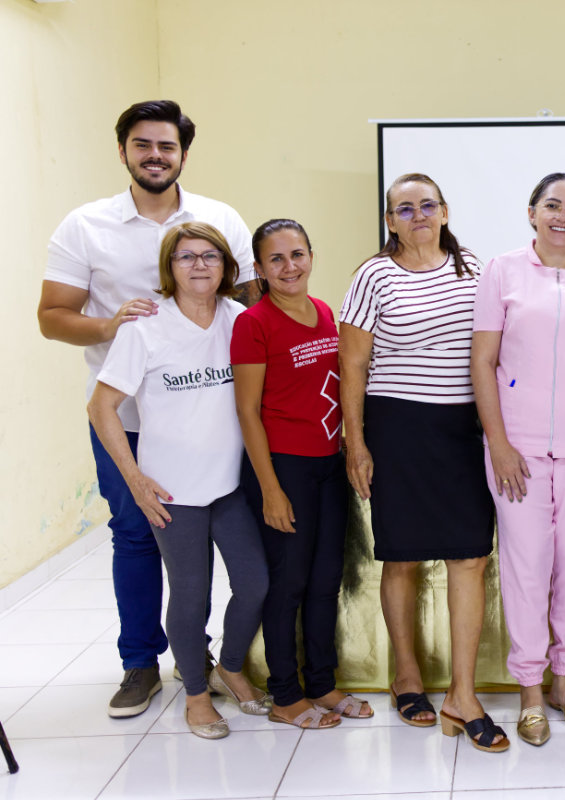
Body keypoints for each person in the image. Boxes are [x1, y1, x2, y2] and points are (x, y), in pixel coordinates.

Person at [37, 100, 257, 718]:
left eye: (166, 146)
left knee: (213, 549)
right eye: (143, 145)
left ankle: (202, 658)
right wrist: (112, 325)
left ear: (183, 153)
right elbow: (52, 316)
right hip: (126, 419)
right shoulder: (85, 225)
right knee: (135, 535)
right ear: (123, 151)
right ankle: (140, 663)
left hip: (208, 418)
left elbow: (249, 310)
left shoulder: (219, 218)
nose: (155, 156)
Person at [340, 174, 507, 753]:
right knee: (404, 557)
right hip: (398, 428)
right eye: (405, 208)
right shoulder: (374, 275)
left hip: (463, 428)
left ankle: (463, 694)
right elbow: (352, 364)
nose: (418, 215)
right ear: (390, 220)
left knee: (470, 556)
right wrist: (355, 443)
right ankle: (406, 676)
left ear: (445, 211)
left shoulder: (473, 267)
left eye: (427, 205)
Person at [86, 222, 270, 740]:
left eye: (210, 255)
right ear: (170, 267)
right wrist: (135, 479)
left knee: (255, 583)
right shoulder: (145, 327)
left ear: (226, 266)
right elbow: (101, 407)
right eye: (186, 256)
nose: (199, 265)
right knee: (191, 596)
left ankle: (228, 667)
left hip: (229, 484)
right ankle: (195, 694)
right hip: (172, 492)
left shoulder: (239, 319)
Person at [470, 172, 565, 747]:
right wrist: (499, 443)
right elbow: (483, 361)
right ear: (532, 212)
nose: (563, 215)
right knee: (527, 568)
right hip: (518, 450)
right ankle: (530, 688)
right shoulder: (502, 271)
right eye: (552, 205)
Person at [233, 219, 369, 730]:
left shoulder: (326, 312)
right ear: (259, 268)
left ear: (311, 256)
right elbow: (247, 412)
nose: (289, 266)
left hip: (328, 465)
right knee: (288, 583)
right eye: (276, 259)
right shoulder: (253, 324)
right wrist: (270, 489)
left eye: (297, 255)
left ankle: (321, 682)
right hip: (283, 467)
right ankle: (285, 695)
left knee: (325, 580)